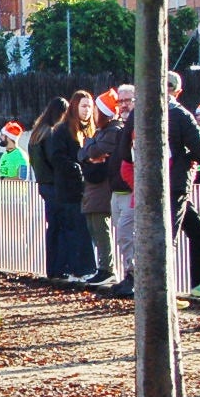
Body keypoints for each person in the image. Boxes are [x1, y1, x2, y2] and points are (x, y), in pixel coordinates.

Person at [162, 71, 200, 299]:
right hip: (176, 184)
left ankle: (199, 283)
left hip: (148, 185)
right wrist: (186, 156)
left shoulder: (141, 114)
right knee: (169, 237)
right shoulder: (181, 115)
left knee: (196, 229)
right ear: (179, 91)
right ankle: (166, 292)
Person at [44, 90, 97, 281]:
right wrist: (76, 168)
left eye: (89, 106)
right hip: (69, 190)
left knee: (84, 230)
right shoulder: (62, 130)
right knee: (74, 229)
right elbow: (57, 157)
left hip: (86, 188)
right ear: (75, 106)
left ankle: (84, 268)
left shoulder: (89, 130)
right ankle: (79, 269)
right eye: (83, 106)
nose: (87, 110)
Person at [81, 92, 124, 287]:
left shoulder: (113, 131)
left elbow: (93, 151)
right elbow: (84, 152)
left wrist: (89, 147)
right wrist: (89, 149)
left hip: (102, 186)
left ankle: (107, 268)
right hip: (93, 186)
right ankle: (103, 267)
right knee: (93, 226)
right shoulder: (101, 132)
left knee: (100, 227)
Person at [27, 96, 67, 278]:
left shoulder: (37, 133)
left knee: (52, 227)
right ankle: (59, 267)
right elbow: (54, 159)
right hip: (54, 184)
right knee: (59, 227)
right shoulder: (51, 133)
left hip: (43, 183)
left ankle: (52, 268)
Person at [105, 85, 137, 297]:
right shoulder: (119, 128)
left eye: (128, 100)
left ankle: (135, 278)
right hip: (117, 191)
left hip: (132, 192)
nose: (123, 105)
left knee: (128, 235)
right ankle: (129, 276)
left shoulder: (138, 127)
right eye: (120, 101)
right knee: (123, 237)